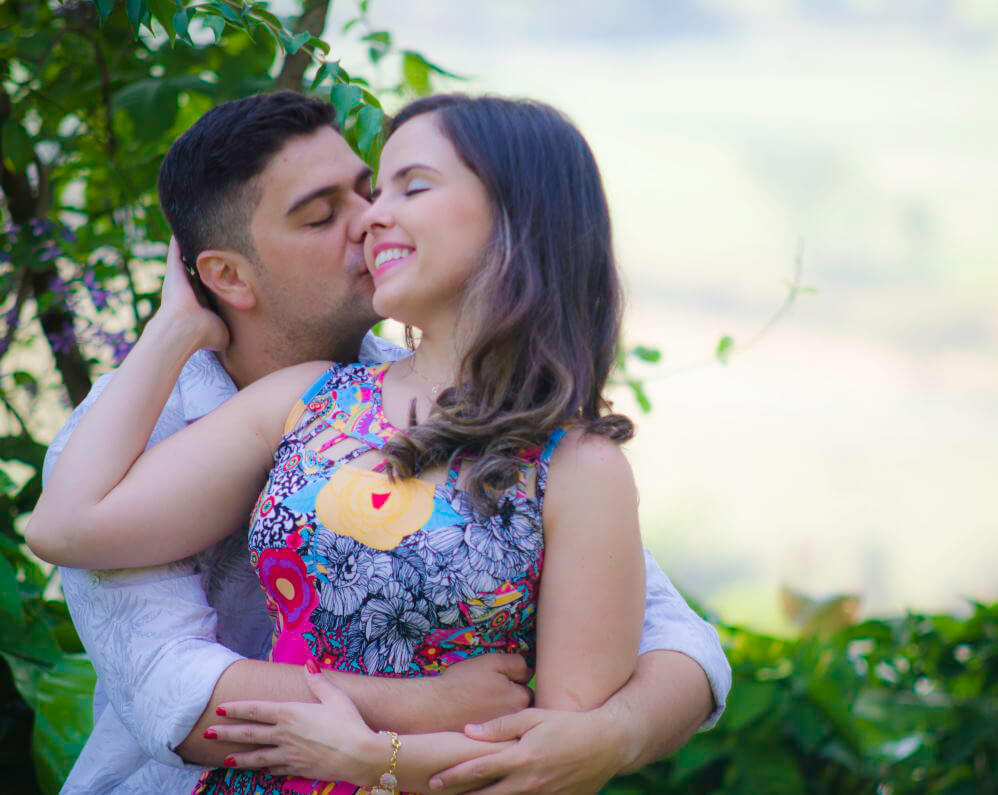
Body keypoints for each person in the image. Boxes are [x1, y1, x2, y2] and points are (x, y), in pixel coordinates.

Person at [33, 91, 729, 793]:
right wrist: (174, 329)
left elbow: (663, 639)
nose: (370, 218)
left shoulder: (560, 456)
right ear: (227, 277)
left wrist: (608, 734)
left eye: (386, 189)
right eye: (320, 214)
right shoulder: (207, 423)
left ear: (516, 215)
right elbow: (177, 694)